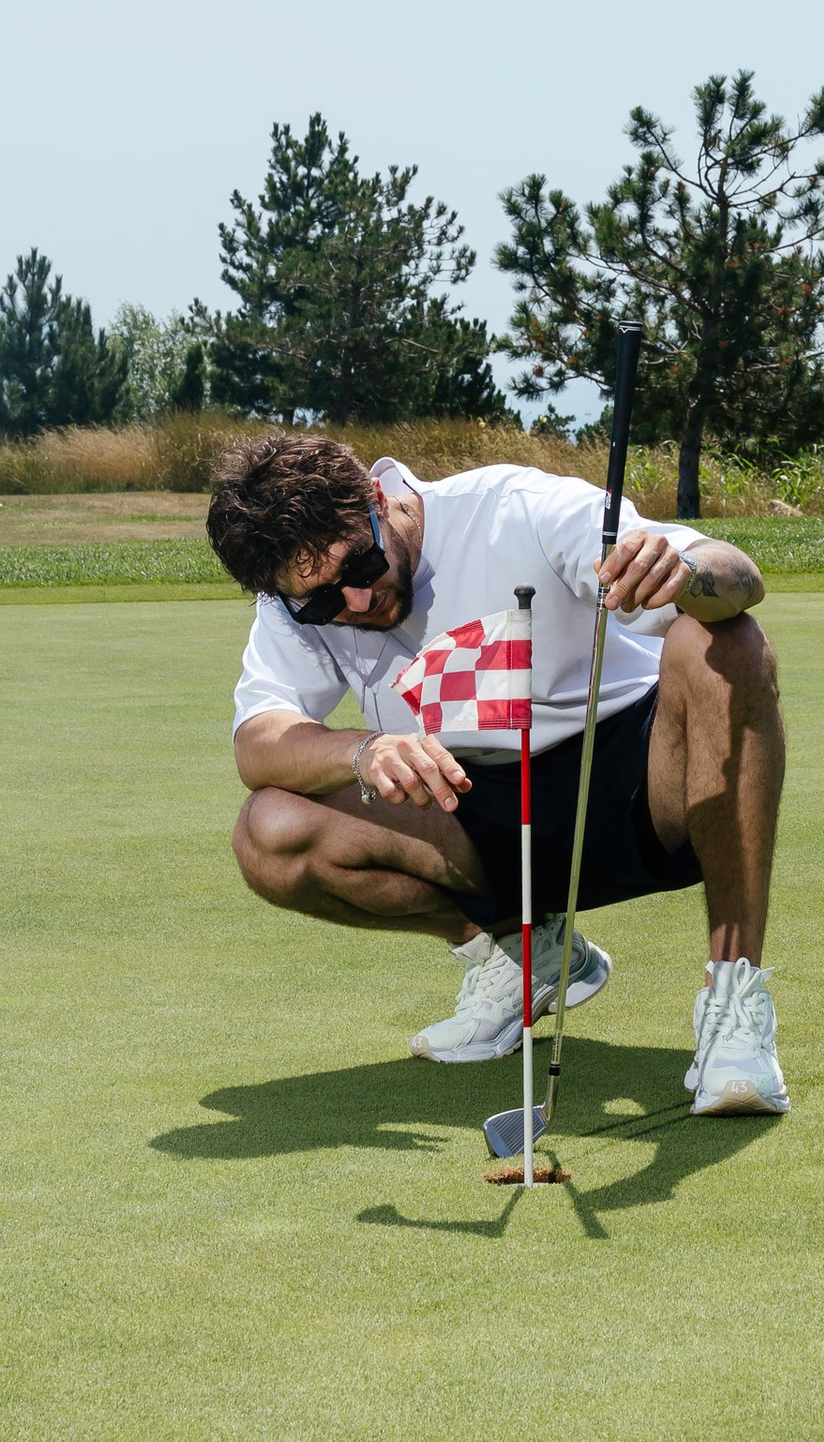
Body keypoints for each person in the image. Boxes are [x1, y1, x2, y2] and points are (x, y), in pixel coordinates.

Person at [210, 431, 791, 1115]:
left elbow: (737, 575)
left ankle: (734, 1002)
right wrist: (362, 750)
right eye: (320, 600)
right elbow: (259, 740)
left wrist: (690, 572)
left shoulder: (515, 507)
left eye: (360, 566)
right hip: (480, 808)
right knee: (270, 832)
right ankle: (526, 955)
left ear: (379, 499)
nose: (356, 603)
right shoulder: (292, 601)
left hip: (644, 780)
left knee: (725, 639)